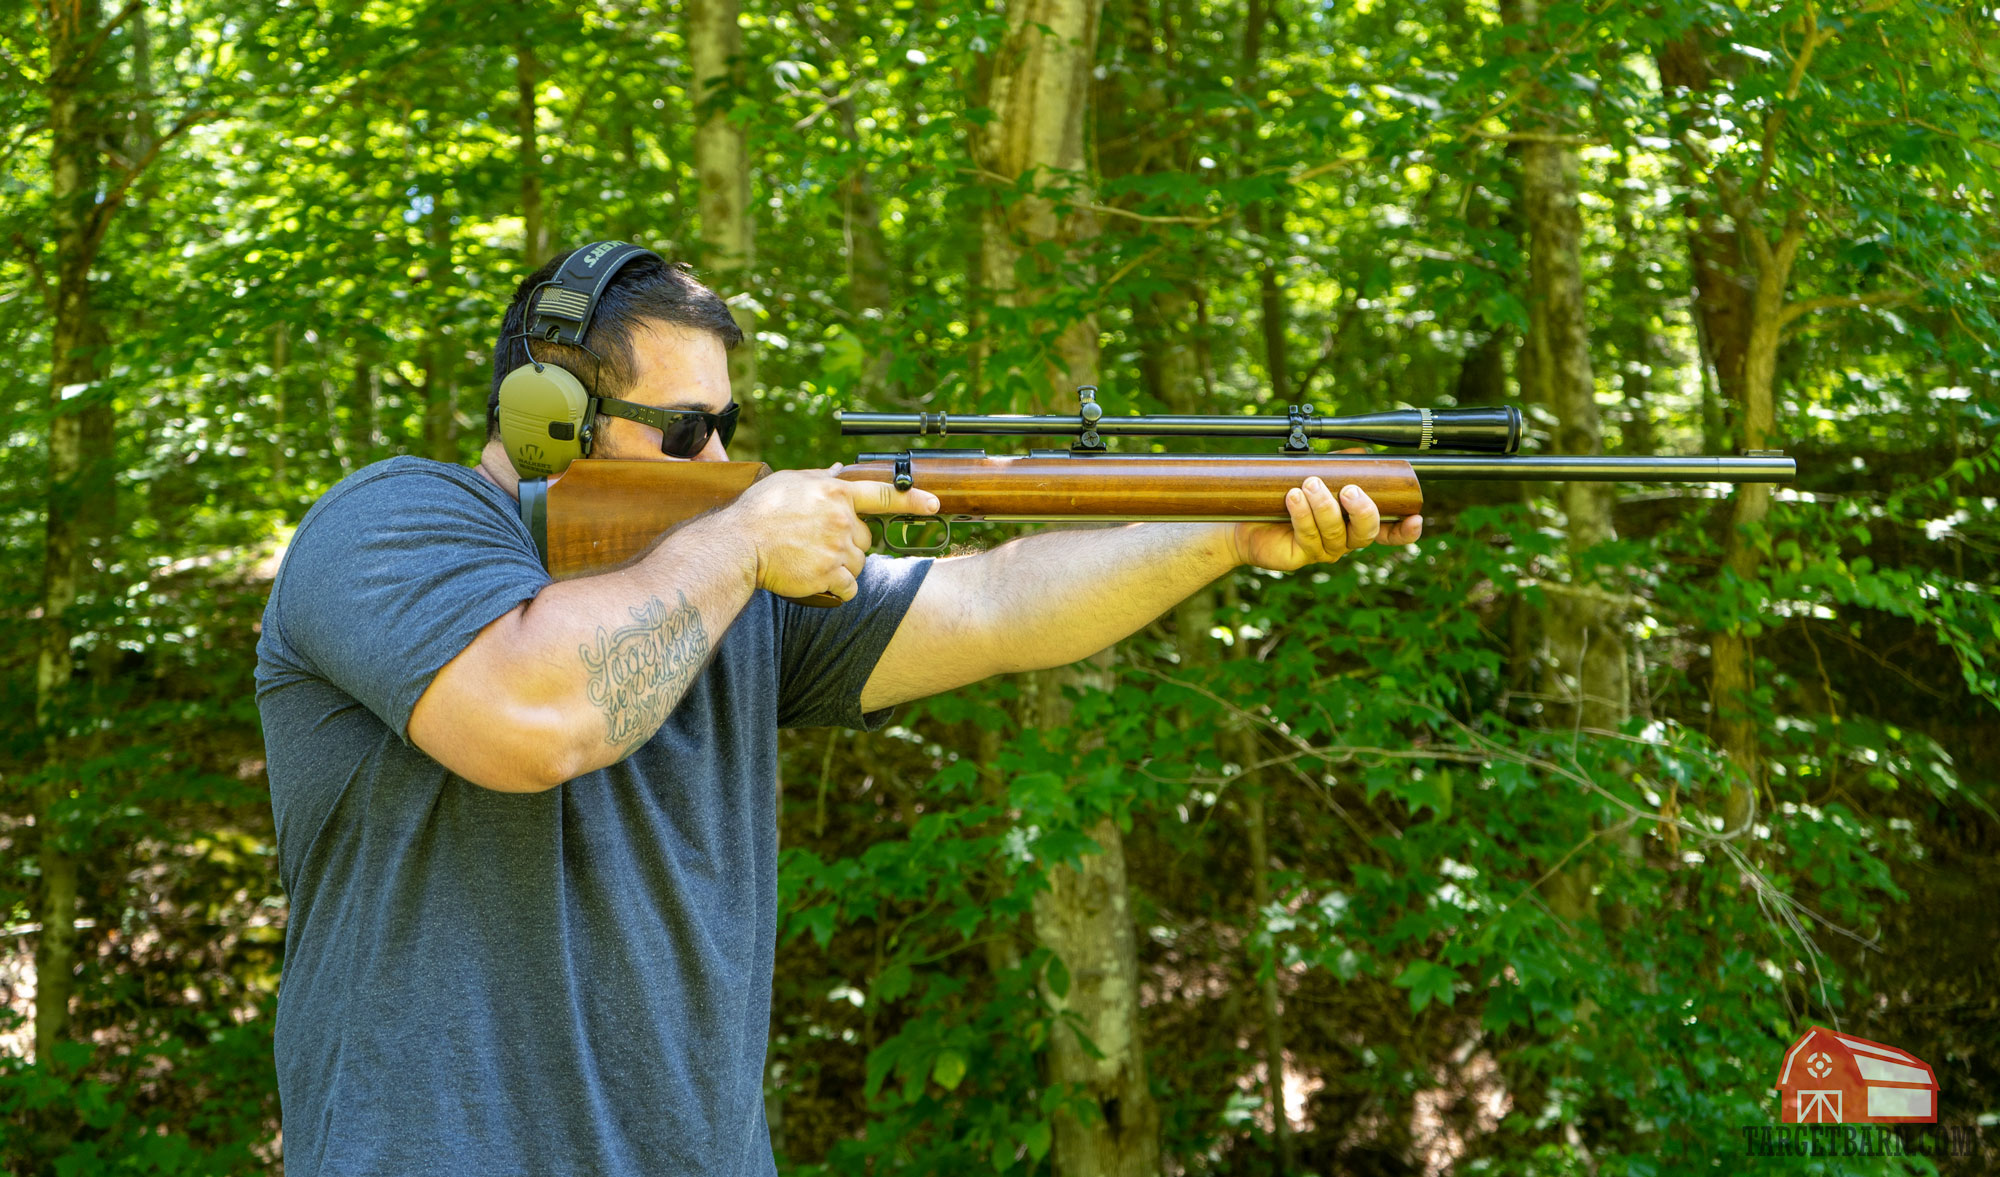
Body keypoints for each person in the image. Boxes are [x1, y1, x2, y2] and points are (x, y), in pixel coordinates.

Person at [254, 246, 1422, 1176]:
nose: (726, 456)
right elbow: (534, 715)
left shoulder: (719, 581)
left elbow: (997, 602)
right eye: (688, 429)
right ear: (542, 415)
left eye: (727, 420)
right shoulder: (393, 524)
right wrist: (740, 544)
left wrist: (1223, 530)